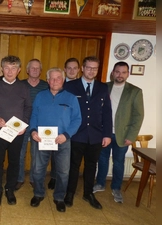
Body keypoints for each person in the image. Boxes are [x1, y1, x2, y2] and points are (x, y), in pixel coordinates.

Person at [0, 55, 32, 206]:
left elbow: (28, 107)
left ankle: (10, 189)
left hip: (17, 133)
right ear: (2, 69)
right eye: (7, 68)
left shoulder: (23, 88)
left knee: (15, 162)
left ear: (19, 70)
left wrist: (24, 124)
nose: (10, 72)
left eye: (14, 68)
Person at [29, 68, 81, 212]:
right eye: (52, 78)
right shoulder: (40, 96)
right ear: (47, 80)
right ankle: (38, 193)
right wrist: (33, 131)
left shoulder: (71, 98)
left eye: (58, 78)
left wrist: (66, 135)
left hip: (62, 140)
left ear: (63, 80)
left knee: (63, 172)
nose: (55, 81)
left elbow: (77, 120)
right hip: (41, 140)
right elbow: (33, 116)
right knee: (38, 169)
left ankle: (59, 197)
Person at [63, 56, 112, 210]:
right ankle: (69, 193)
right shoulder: (70, 86)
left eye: (95, 68)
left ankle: (88, 193)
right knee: (73, 165)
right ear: (82, 68)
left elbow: (107, 112)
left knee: (91, 166)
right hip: (76, 134)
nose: (91, 71)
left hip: (96, 135)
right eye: (89, 67)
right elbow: (65, 111)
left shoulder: (102, 88)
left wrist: (107, 134)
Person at [93, 61, 144, 203]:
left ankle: (116, 188)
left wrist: (131, 136)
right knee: (102, 159)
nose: (120, 75)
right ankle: (100, 183)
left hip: (123, 135)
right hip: (104, 133)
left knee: (118, 162)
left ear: (127, 74)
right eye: (117, 71)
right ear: (113, 73)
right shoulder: (104, 87)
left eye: (123, 72)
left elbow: (138, 116)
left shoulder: (135, 91)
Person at [48, 57, 82, 190]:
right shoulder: (56, 84)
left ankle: (69, 183)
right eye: (69, 68)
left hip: (77, 126)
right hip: (59, 128)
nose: (72, 70)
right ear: (65, 70)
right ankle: (54, 177)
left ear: (79, 70)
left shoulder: (82, 85)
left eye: (75, 68)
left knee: (71, 158)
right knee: (56, 155)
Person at [16, 59, 48, 191]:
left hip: (39, 125)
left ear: (41, 71)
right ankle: (19, 178)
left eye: (37, 68)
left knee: (37, 155)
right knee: (19, 152)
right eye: (32, 68)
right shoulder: (19, 85)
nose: (35, 70)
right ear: (27, 70)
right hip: (21, 123)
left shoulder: (46, 86)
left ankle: (35, 179)